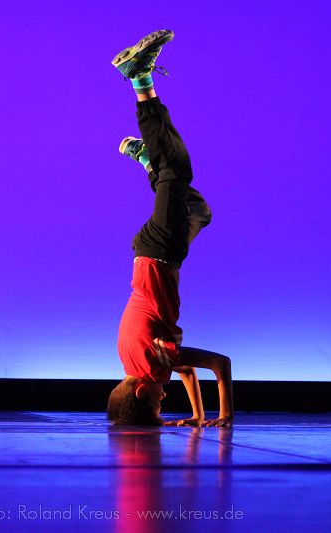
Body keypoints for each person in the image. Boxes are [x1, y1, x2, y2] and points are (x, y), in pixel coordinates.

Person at [106, 30, 233, 428]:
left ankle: (139, 78)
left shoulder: (150, 366)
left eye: (158, 404)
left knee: (176, 169)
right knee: (198, 210)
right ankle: (147, 160)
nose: (164, 399)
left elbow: (219, 363)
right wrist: (197, 416)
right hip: (151, 255)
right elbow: (186, 371)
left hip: (162, 253)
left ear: (141, 392)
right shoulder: (133, 362)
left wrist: (225, 416)